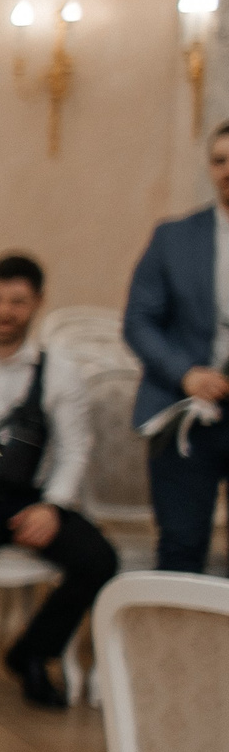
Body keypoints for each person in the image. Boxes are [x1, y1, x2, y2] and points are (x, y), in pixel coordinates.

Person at [0, 254, 119, 708]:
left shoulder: (60, 371)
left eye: (17, 302)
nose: (4, 311)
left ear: (37, 304)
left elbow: (75, 448)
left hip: (33, 499)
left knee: (99, 560)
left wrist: (53, 507)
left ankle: (33, 654)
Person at [124, 121, 229, 574]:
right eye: (220, 160)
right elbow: (139, 321)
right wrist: (186, 373)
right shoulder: (174, 237)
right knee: (182, 545)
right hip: (183, 407)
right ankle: (173, 645)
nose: (228, 170)